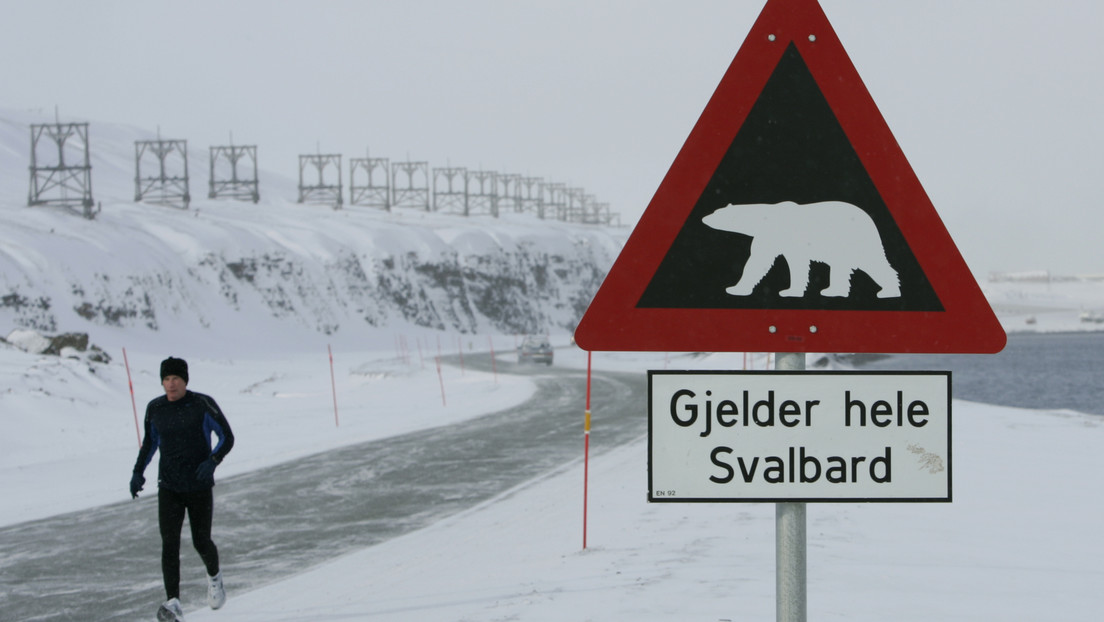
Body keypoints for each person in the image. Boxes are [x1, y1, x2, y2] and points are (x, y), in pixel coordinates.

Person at [130, 356, 234, 621]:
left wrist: (212, 461)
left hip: (198, 486)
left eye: (175, 378)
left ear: (185, 381)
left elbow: (227, 436)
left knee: (201, 542)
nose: (170, 384)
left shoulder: (202, 404)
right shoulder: (155, 408)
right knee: (169, 544)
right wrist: (138, 472)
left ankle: (215, 578)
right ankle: (174, 602)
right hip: (169, 487)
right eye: (166, 379)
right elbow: (149, 444)